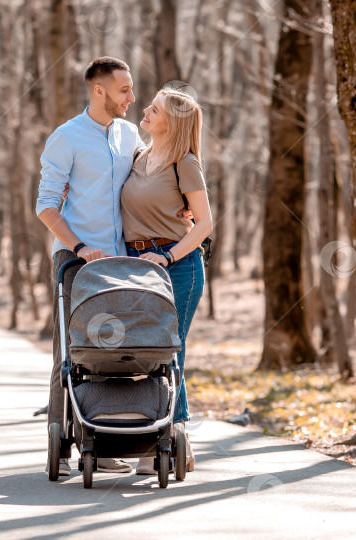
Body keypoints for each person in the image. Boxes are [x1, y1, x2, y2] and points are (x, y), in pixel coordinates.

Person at [36, 56, 144, 476]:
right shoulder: (67, 138)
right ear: (98, 91)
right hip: (77, 260)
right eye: (124, 90)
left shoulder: (130, 133)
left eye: (131, 89)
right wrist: (80, 247)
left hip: (123, 261)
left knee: (115, 351)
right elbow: (45, 207)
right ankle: (60, 446)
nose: (131, 98)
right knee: (70, 353)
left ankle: (106, 440)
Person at [120, 88, 212, 474]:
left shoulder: (185, 163)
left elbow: (205, 224)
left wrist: (170, 255)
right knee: (141, 352)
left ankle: (168, 440)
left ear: (171, 122)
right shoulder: (138, 156)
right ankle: (168, 440)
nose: (145, 110)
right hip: (137, 266)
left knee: (169, 353)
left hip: (177, 266)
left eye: (154, 109)